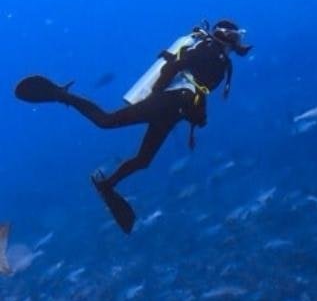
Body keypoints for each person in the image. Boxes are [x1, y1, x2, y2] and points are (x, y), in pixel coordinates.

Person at [14, 19, 252, 234]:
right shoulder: (208, 48)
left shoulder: (223, 63)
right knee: (106, 121)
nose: (239, 41)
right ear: (227, 36)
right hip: (169, 102)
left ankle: (107, 185)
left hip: (174, 110)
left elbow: (200, 91)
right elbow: (176, 66)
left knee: (143, 160)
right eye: (237, 36)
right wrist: (158, 91)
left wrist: (198, 116)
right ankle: (61, 95)